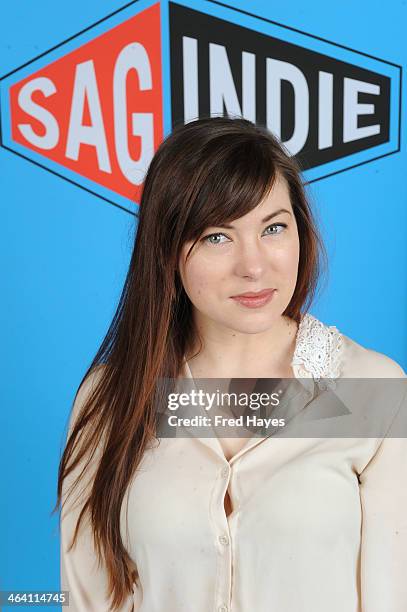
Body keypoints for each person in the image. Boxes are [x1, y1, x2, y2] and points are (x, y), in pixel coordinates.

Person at [55, 117, 406, 612]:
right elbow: (89, 597)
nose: (254, 266)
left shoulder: (374, 390)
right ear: (167, 250)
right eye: (218, 237)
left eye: (274, 228)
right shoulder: (110, 397)